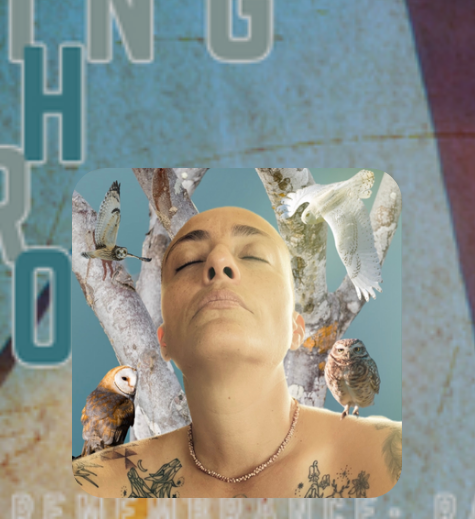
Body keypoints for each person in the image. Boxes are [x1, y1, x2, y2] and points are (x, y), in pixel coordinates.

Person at [72, 206, 400, 498]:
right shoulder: (90, 487)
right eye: (189, 262)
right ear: (164, 340)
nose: (219, 262)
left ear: (296, 329)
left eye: (254, 256)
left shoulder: (394, 457)